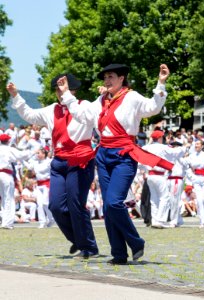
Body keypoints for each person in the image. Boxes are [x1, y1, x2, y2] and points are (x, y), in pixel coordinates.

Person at [59, 64, 172, 264]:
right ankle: (118, 254)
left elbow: (153, 107)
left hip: (124, 154)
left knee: (113, 202)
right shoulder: (100, 101)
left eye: (111, 77)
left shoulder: (132, 97)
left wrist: (161, 82)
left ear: (122, 78)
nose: (107, 81)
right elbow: (82, 115)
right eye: (105, 78)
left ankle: (135, 241)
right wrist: (67, 94)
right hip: (103, 154)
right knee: (107, 207)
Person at [8, 75, 99, 257]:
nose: (59, 93)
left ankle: (88, 246)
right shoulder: (52, 110)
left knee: (76, 204)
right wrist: (16, 96)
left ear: (73, 89)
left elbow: (93, 120)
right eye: (57, 89)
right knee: (55, 206)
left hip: (80, 160)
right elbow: (30, 115)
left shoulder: (84, 106)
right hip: (59, 162)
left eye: (63, 88)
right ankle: (77, 239)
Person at [23, 147, 55, 228]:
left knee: (45, 203)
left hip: (47, 184)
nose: (37, 154)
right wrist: (21, 160)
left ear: (44, 154)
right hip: (39, 185)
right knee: (40, 204)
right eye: (37, 153)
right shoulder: (35, 162)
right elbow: (29, 167)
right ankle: (42, 222)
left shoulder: (49, 161)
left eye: (39, 153)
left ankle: (51, 219)